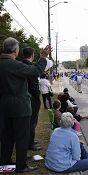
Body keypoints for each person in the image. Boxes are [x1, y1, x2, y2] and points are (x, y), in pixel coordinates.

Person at [0, 37, 51, 173]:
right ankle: (21, 165)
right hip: (20, 108)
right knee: (22, 137)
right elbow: (35, 71)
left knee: (6, 136)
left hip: (4, 107)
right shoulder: (16, 65)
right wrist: (43, 57)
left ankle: (4, 162)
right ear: (15, 50)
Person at [22, 47, 42, 151]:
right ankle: (30, 143)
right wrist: (38, 97)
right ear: (32, 55)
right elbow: (34, 86)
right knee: (32, 122)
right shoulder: (30, 67)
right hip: (32, 98)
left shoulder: (21, 65)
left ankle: (30, 140)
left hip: (24, 97)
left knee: (28, 122)